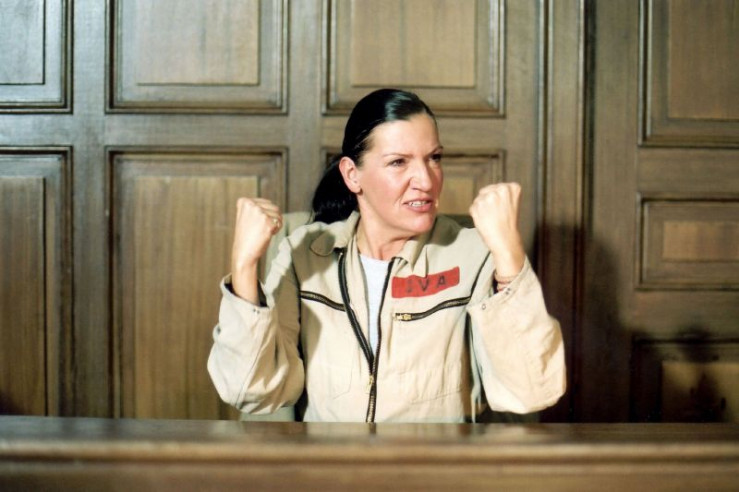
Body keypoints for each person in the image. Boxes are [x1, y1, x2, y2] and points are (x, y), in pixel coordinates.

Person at [208, 88, 565, 423]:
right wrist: (244, 267)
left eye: (434, 158)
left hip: (438, 464)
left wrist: (509, 257)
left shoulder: (474, 255)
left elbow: (532, 391)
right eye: (398, 162)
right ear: (352, 175)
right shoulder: (305, 255)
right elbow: (251, 391)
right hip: (330, 463)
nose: (426, 180)